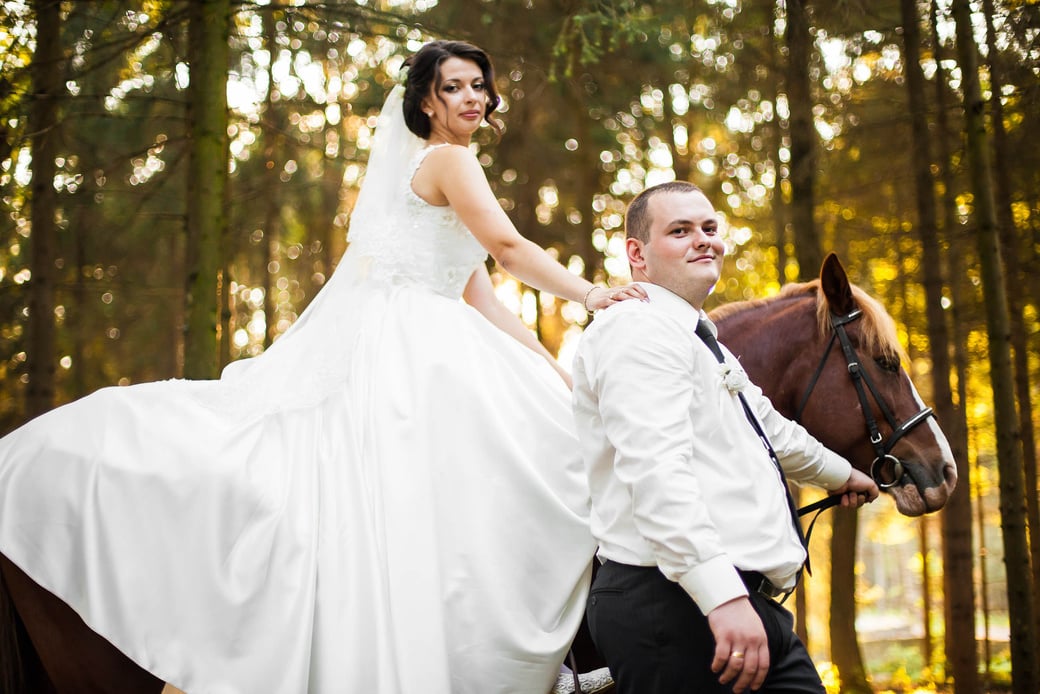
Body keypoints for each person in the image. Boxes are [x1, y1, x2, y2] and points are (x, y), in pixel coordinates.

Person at [0, 40, 645, 694]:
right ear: (426, 100)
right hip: (413, 343)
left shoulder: (436, 171)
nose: (472, 96)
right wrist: (589, 294)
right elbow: (507, 248)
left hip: (434, 325)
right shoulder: (449, 159)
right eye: (453, 87)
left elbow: (481, 294)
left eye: (479, 84)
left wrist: (557, 377)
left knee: (519, 446)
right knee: (493, 473)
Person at [570, 180, 880, 694]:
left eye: (710, 228)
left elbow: (769, 429)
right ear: (636, 253)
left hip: (743, 604)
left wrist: (844, 473)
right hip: (673, 610)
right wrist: (722, 599)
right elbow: (657, 473)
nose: (703, 240)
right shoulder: (636, 331)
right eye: (681, 230)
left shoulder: (695, 337)